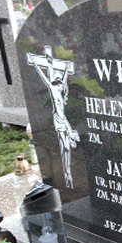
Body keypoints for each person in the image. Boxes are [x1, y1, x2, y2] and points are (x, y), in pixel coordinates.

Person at [28, 47, 78, 188]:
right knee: (64, 147)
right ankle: (67, 174)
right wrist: (36, 65)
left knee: (66, 148)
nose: (61, 86)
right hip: (58, 121)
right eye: (59, 84)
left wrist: (65, 70)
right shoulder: (53, 89)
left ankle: (68, 174)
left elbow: (64, 80)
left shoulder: (61, 92)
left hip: (64, 121)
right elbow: (46, 78)